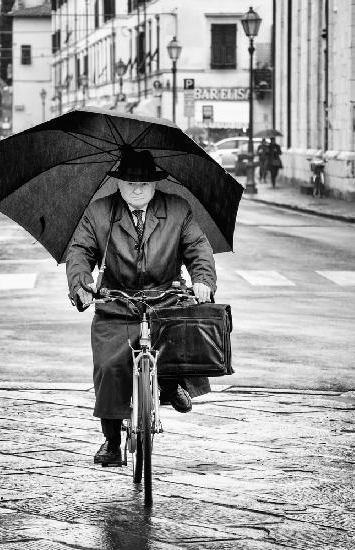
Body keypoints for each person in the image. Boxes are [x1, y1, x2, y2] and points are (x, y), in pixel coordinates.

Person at [66, 148, 216, 465]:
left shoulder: (178, 209)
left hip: (166, 300)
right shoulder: (98, 213)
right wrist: (82, 284)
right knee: (108, 367)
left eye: (145, 182)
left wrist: (203, 280)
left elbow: (198, 248)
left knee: (181, 337)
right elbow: (79, 252)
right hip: (116, 303)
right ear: (119, 183)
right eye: (131, 181)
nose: (138, 188)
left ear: (155, 183)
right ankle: (110, 440)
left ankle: (171, 382)